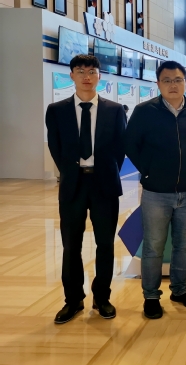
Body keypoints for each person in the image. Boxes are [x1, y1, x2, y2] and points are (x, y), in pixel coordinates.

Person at [124, 60, 186, 320]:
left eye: (178, 80)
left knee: (184, 246)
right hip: (156, 193)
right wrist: (148, 171)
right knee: (153, 247)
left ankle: (180, 290)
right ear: (158, 83)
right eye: (167, 80)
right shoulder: (144, 111)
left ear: (185, 82)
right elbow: (131, 144)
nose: (173, 85)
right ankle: (151, 296)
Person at [45, 54, 126, 324]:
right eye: (80, 71)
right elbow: (56, 147)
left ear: (99, 76)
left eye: (91, 71)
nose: (86, 76)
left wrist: (105, 170)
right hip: (73, 185)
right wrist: (72, 171)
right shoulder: (56, 110)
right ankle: (73, 300)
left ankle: (102, 298)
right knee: (71, 245)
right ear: (71, 75)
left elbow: (119, 149)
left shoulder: (115, 110)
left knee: (105, 244)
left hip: (104, 184)